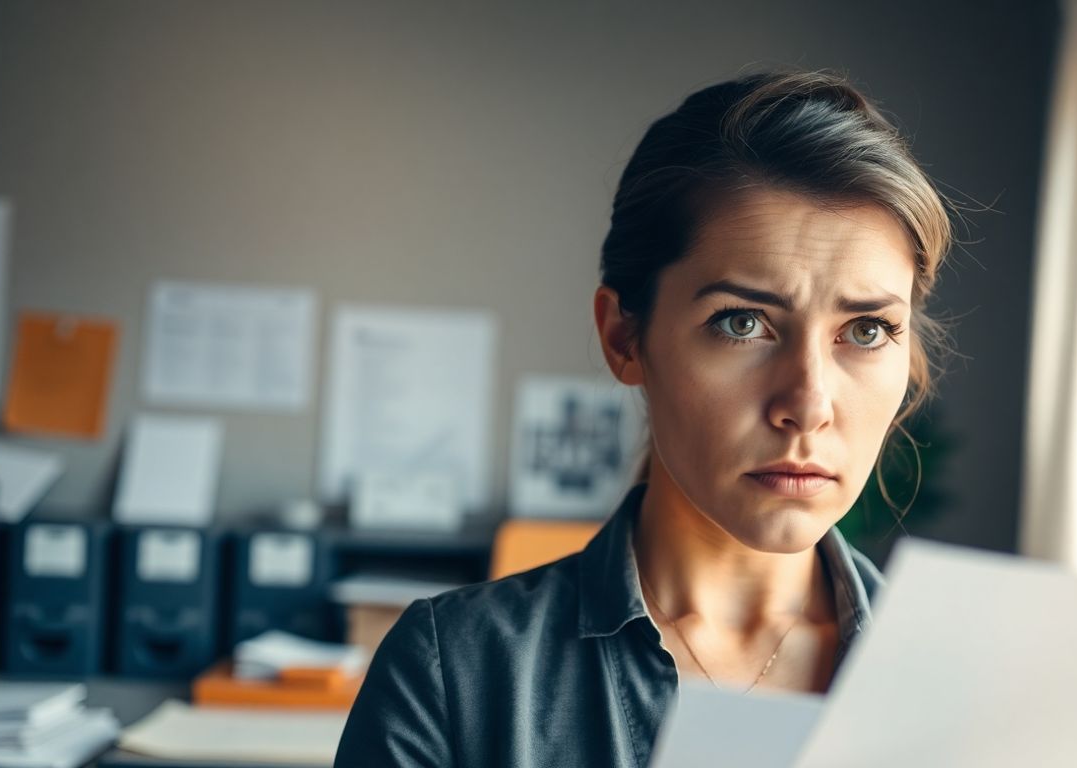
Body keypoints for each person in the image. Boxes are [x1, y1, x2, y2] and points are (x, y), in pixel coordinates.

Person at [334, 69, 952, 768]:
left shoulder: (962, 689)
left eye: (867, 331)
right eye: (743, 322)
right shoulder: (455, 677)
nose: (807, 405)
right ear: (625, 338)